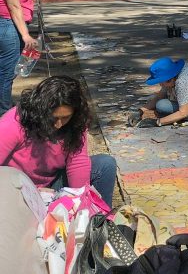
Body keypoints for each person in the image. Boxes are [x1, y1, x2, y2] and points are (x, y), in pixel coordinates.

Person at [0, 76, 116, 206]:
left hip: (52, 184)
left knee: (105, 164)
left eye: (65, 117)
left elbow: (77, 162)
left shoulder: (76, 123)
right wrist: (31, 191)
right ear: (40, 111)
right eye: (53, 118)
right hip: (17, 188)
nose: (58, 124)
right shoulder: (12, 124)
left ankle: (101, 221)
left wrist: (80, 202)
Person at [0, 0, 37, 117]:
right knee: (6, 75)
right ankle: (4, 114)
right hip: (9, 27)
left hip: (5, 25)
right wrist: (25, 34)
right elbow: (14, 7)